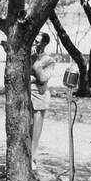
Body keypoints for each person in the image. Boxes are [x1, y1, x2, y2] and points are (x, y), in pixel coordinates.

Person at [30, 32, 58, 163]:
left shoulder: (49, 61)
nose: (35, 43)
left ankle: (32, 161)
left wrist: (36, 64)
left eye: (38, 41)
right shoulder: (28, 56)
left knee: (35, 134)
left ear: (45, 43)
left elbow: (42, 78)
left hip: (38, 98)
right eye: (34, 40)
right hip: (25, 97)